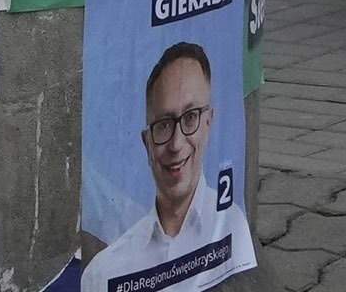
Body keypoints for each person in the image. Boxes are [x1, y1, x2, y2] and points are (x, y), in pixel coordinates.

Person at [85, 41, 251, 290]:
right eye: (163, 124)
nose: (176, 144)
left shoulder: (233, 226)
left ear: (209, 122)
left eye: (190, 117)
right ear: (147, 142)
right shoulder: (104, 273)